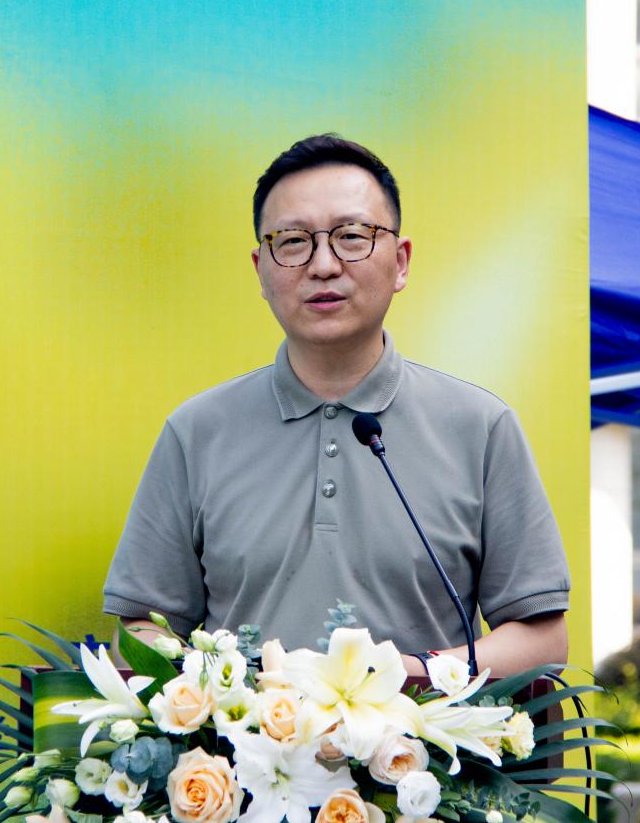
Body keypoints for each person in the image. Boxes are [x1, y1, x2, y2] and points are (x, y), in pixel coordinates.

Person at [103, 135, 570, 678]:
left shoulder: (480, 427)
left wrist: (411, 676)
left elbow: (541, 636)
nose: (323, 265)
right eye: (293, 242)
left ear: (401, 262)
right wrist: (225, 695)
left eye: (351, 236)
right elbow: (140, 630)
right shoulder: (196, 432)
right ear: (260, 270)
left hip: (419, 733)